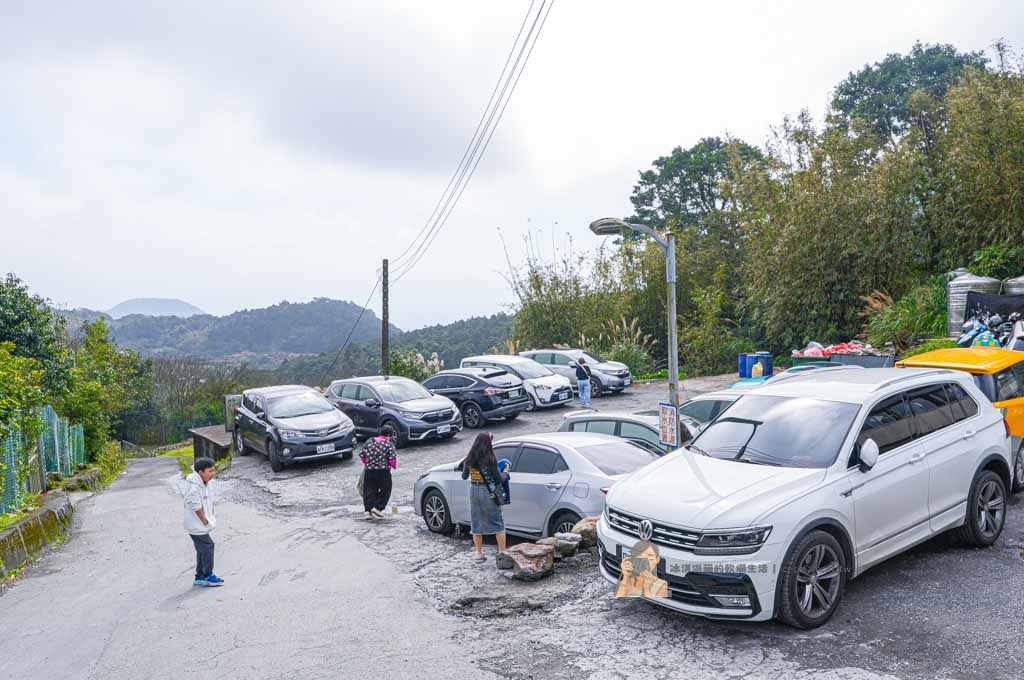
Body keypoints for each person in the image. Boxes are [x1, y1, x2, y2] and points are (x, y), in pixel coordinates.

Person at [461, 432, 507, 562]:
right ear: (488, 443)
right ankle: (502, 552)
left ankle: (479, 553)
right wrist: (506, 471)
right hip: (488, 492)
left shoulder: (469, 459)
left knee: (476, 521)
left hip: (474, 491)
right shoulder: (490, 459)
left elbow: (464, 476)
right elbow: (498, 479)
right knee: (497, 521)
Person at [184, 457, 224, 587]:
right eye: (210, 471)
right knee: (208, 546)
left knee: (202, 549)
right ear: (200, 472)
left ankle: (200, 576)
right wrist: (205, 521)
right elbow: (196, 506)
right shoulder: (194, 486)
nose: (213, 473)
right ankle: (208, 575)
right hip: (197, 525)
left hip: (198, 524)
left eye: (214, 470)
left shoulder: (203, 482)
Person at [361, 433, 396, 519]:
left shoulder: (369, 442)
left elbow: (362, 456)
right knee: (386, 489)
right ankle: (377, 507)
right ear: (388, 435)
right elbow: (392, 461)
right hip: (383, 471)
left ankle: (368, 511)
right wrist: (393, 466)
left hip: (369, 471)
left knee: (369, 490)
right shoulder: (388, 444)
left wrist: (369, 464)